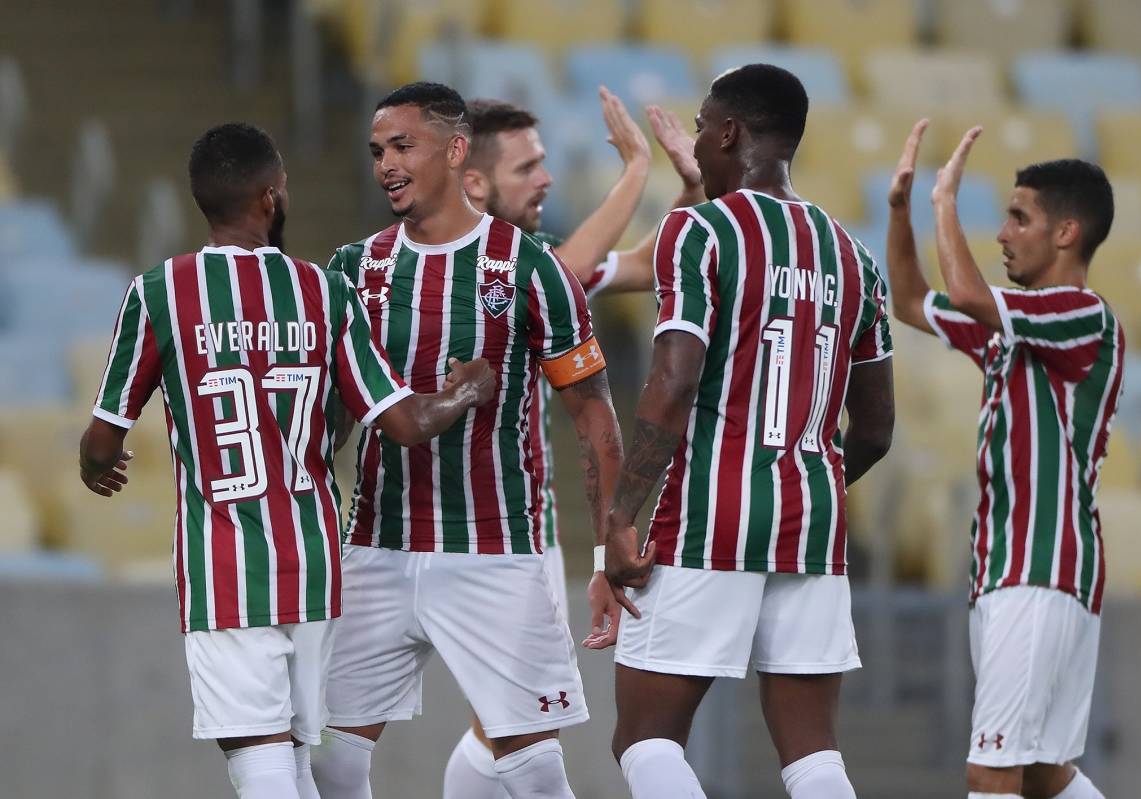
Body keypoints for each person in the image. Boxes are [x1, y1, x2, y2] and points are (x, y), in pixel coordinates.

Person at [78, 122, 494, 799]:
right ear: (270, 196)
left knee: (259, 756)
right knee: (295, 756)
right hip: (314, 563)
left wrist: (97, 468)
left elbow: (102, 442)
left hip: (225, 565)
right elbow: (404, 423)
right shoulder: (324, 291)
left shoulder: (161, 291)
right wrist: (466, 390)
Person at [309, 82, 625, 799]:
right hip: (376, 547)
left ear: (456, 151)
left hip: (493, 553)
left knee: (532, 768)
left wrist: (608, 551)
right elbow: (333, 417)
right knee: (329, 758)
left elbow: (595, 419)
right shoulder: (353, 269)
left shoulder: (529, 267)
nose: (387, 164)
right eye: (377, 151)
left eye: (403, 145)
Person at [598, 63, 896, 799]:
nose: (697, 143)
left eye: (702, 127)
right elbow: (876, 428)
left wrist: (621, 515)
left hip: (711, 513)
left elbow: (674, 381)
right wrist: (806, 477)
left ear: (729, 132)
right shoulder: (854, 256)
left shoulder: (698, 229)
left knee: (645, 738)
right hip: (814, 521)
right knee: (813, 755)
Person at [440, 90, 706, 799]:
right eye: (527, 167)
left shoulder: (531, 267)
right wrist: (636, 170)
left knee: (505, 728)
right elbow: (568, 269)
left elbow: (646, 264)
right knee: (525, 731)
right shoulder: (461, 270)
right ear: (474, 181)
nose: (546, 179)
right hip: (474, 538)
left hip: (515, 531)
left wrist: (689, 191)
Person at [886, 121, 1122, 799]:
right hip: (1014, 569)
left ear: (1066, 233)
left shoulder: (1081, 314)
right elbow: (911, 300)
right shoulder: (1015, 326)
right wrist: (900, 210)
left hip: (1039, 568)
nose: (1002, 234)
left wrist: (944, 203)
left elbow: (965, 293)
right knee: (1044, 774)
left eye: (1019, 218)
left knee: (992, 771)